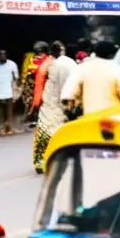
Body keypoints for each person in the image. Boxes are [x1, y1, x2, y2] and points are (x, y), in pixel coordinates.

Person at [32, 42, 76, 173]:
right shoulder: (68, 63)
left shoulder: (52, 64)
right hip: (61, 101)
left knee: (46, 132)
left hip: (51, 101)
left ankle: (41, 162)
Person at [62, 39, 120, 115]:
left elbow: (68, 95)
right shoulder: (119, 71)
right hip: (112, 120)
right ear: (112, 54)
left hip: (89, 119)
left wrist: (71, 109)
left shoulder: (82, 68)